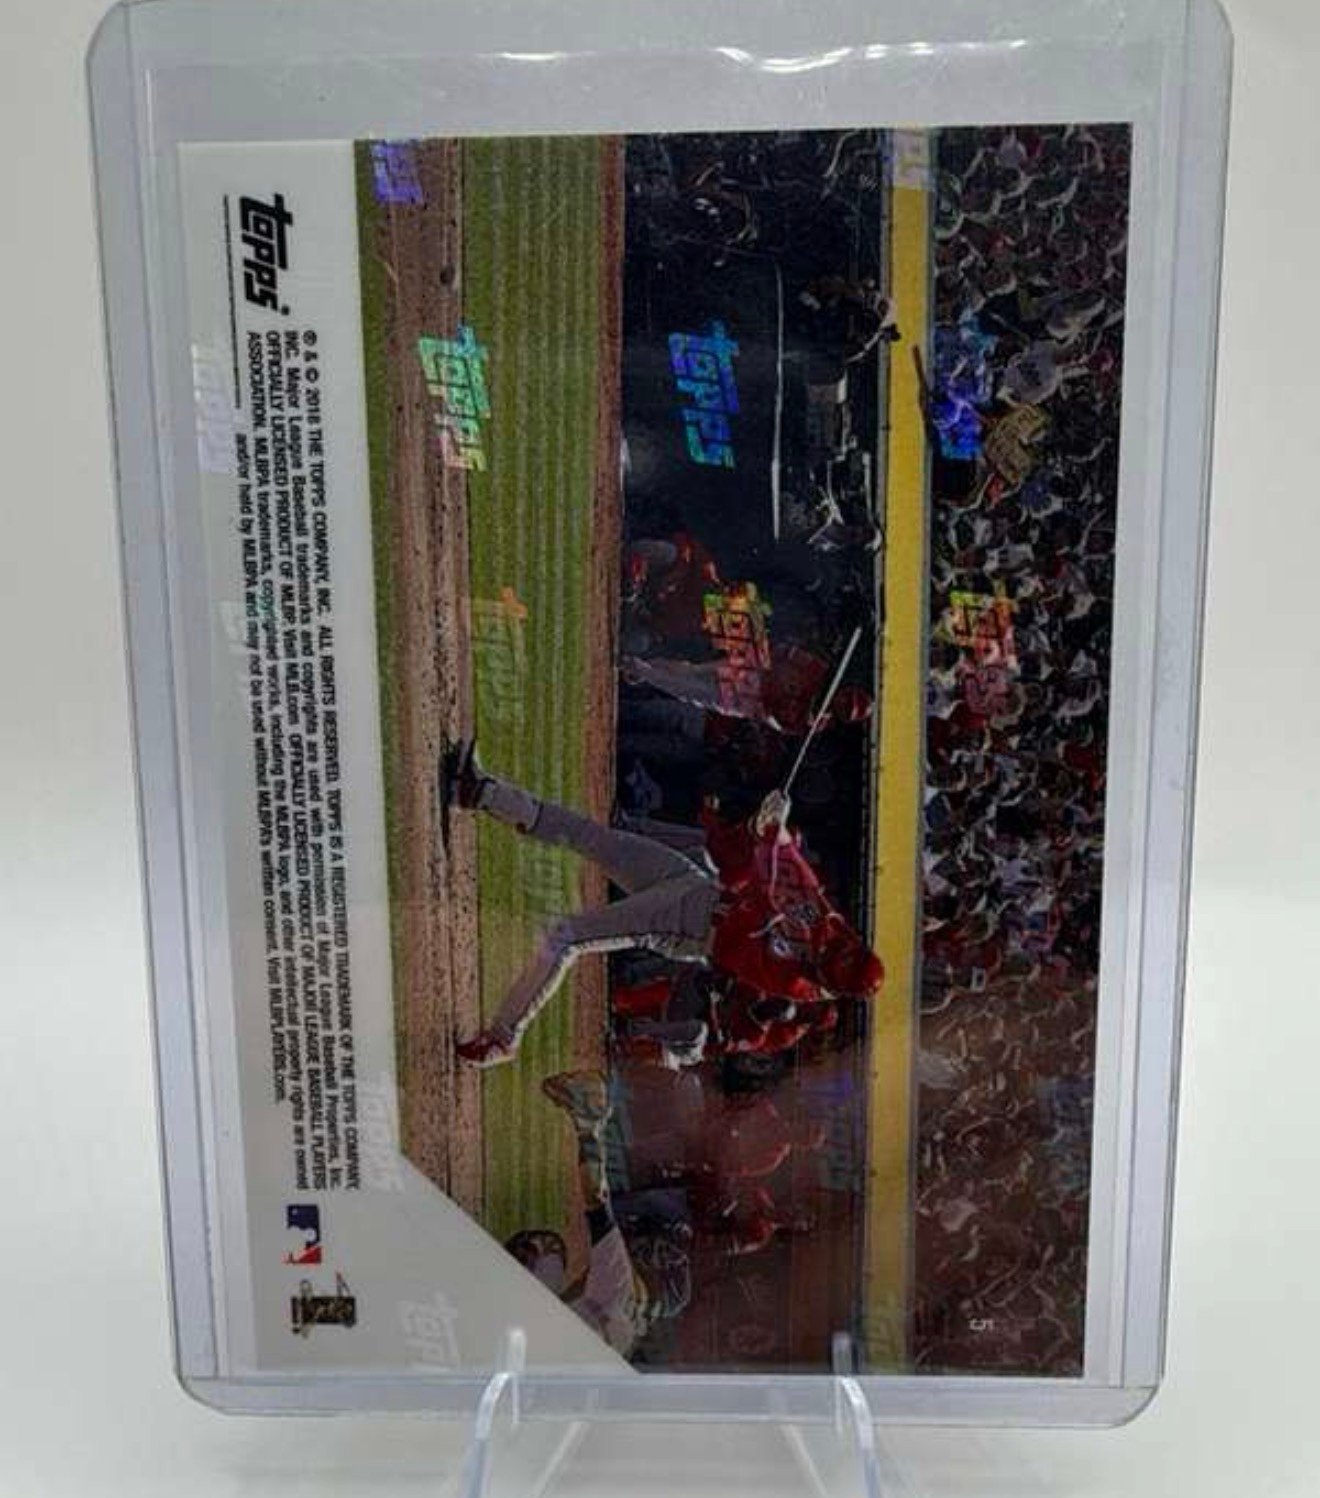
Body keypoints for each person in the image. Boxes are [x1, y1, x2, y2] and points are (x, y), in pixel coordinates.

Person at [445, 744, 884, 1069]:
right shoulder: (834, 934)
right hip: (696, 886)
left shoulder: (794, 981)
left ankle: (503, 1038)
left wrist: (768, 841)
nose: (830, 945)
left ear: (829, 978)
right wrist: (779, 834)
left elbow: (764, 904)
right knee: (592, 837)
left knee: (567, 938)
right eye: (841, 947)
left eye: (832, 957)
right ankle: (482, 793)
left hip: (688, 926)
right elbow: (800, 885)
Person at [504, 1071, 690, 1356]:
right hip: (540, 1361)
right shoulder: (627, 1334)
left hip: (518, 1342)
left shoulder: (621, 1284)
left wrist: (588, 1130)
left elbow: (596, 1197)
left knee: (545, 1247)